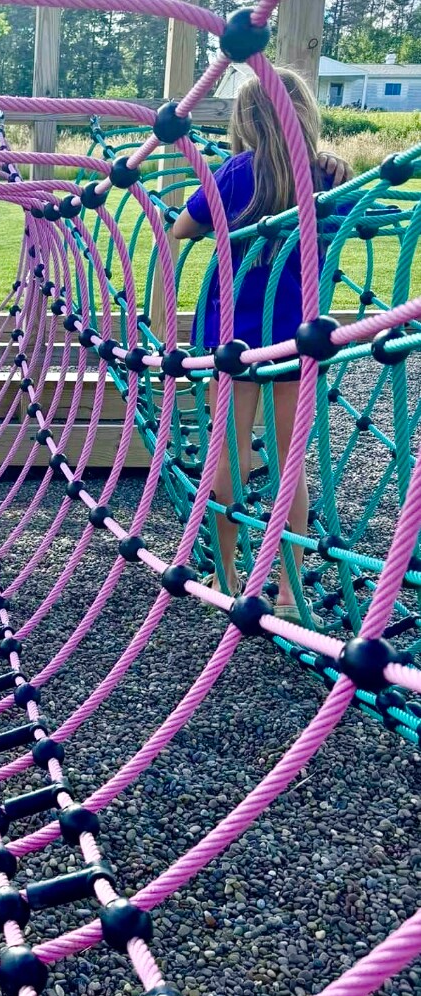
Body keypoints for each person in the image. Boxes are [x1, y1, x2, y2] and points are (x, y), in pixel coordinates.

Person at [171, 67, 351, 626]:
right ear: (306, 117)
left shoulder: (233, 172)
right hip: (296, 335)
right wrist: (336, 170)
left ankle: (224, 574)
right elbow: (346, 224)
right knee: (289, 461)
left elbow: (182, 229)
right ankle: (290, 590)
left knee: (227, 450)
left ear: (244, 121)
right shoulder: (325, 178)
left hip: (232, 334)